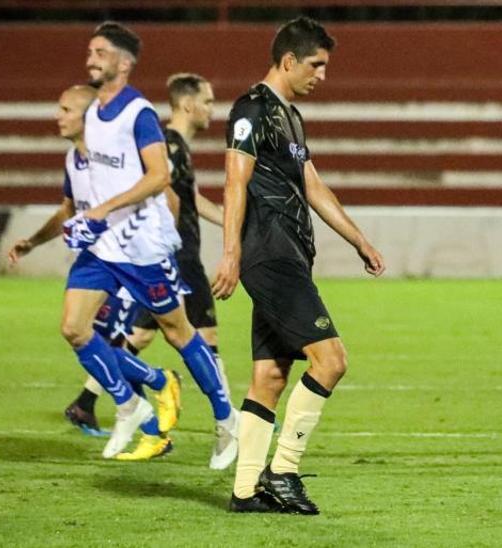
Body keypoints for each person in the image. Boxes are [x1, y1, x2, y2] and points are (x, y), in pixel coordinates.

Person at [213, 17, 385, 514]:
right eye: (317, 64)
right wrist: (231, 253)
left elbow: (313, 186)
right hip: (270, 257)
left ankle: (246, 492)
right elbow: (233, 182)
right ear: (289, 60)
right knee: (331, 360)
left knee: (269, 374)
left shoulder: (291, 118)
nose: (322, 75)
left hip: (289, 257)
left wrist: (359, 240)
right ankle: (283, 470)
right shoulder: (251, 109)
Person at [50, 22, 226, 460]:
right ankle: (131, 405)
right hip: (123, 248)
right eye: (89, 51)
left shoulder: (142, 116)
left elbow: (164, 185)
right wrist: (90, 218)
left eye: (100, 52)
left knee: (174, 333)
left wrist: (101, 213)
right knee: (79, 327)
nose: (90, 58)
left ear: (124, 63)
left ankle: (225, 417)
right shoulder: (103, 119)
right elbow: (155, 188)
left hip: (148, 249)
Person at [8, 84, 181, 461]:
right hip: (95, 265)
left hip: (129, 263)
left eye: (66, 108)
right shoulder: (74, 161)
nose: (58, 115)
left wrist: (156, 251)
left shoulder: (121, 156)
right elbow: (68, 210)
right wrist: (34, 241)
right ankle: (154, 392)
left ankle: (150, 412)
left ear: (88, 117)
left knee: (96, 339)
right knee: (83, 336)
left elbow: (169, 198)